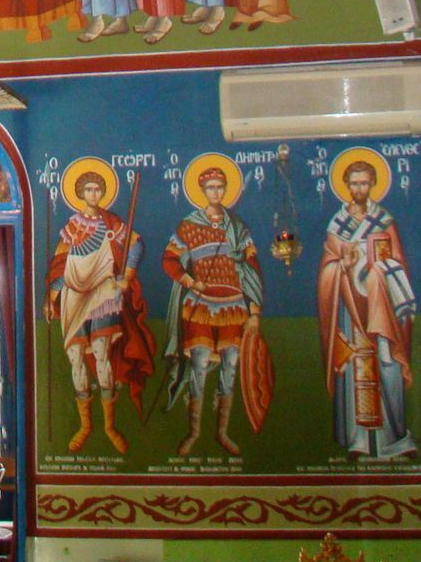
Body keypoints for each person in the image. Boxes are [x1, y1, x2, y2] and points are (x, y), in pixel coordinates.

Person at [44, 168, 152, 454]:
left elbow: (136, 244)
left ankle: (109, 426)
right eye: (88, 190)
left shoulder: (112, 223)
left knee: (102, 352)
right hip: (74, 296)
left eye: (97, 189)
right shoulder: (71, 228)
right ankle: (85, 426)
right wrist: (50, 297)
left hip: (104, 291)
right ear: (80, 193)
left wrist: (127, 276)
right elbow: (59, 264)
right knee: (76, 357)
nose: (94, 194)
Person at [161, 164, 264, 456]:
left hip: (233, 305)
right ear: (202, 191)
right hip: (201, 306)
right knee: (200, 364)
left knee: (231, 366)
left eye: (220, 187)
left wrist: (254, 309)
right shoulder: (188, 225)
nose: (216, 192)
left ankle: (222, 432)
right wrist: (190, 281)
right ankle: (193, 432)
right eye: (210, 188)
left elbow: (251, 266)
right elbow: (169, 260)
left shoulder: (237, 226)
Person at [318, 160, 416, 458]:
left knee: (386, 364)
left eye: (364, 183)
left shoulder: (384, 220)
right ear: (347, 186)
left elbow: (398, 261)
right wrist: (341, 266)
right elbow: (327, 269)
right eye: (354, 183)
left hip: (380, 306)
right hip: (349, 306)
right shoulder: (337, 224)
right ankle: (358, 438)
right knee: (354, 366)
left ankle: (394, 438)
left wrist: (383, 269)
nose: (359, 189)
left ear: (372, 184)